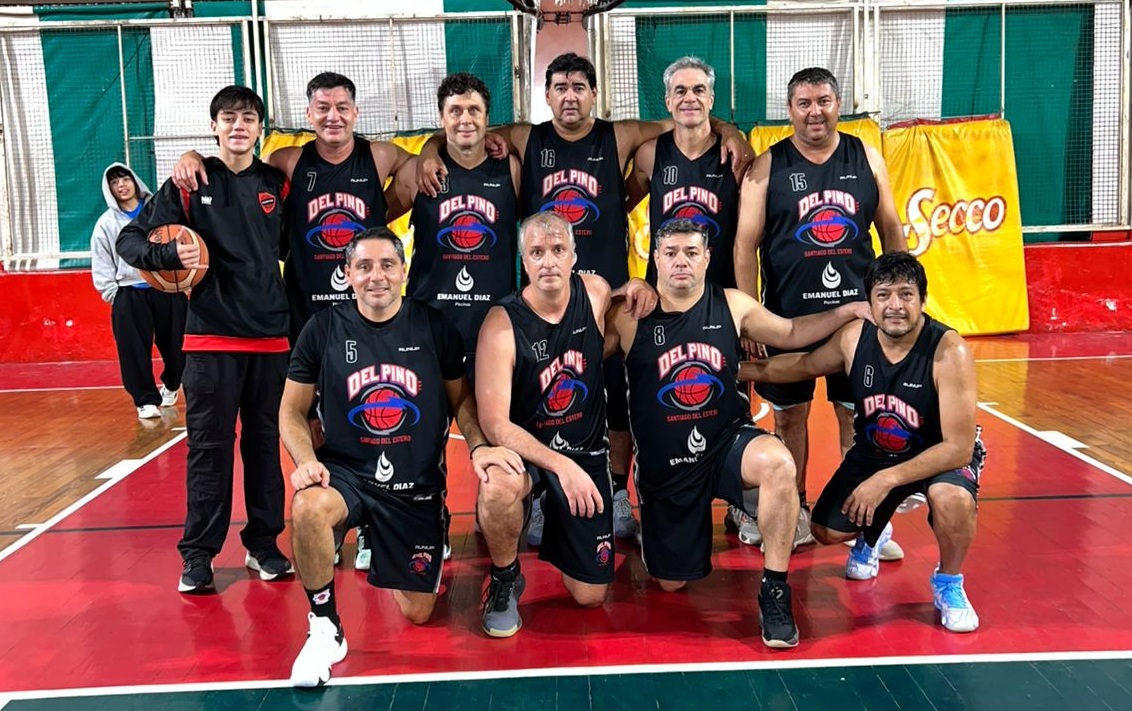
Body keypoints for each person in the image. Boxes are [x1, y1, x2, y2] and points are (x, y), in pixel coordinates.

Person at [418, 52, 752, 545]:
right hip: (547, 296)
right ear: (546, 95)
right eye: (560, 87)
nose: (570, 96)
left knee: (617, 395)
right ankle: (539, 493)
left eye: (579, 87)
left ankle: (616, 491)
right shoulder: (526, 138)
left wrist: (732, 131)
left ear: (595, 94)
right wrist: (429, 148)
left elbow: (688, 116)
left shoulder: (620, 136)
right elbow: (462, 130)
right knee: (544, 395)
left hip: (608, 296)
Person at [173, 72, 417, 571]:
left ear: (356, 112)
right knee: (311, 429)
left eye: (342, 107)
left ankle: (373, 527)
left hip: (365, 318)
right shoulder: (287, 164)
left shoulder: (379, 155)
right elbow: (237, 176)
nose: (333, 116)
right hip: (303, 320)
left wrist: (386, 207)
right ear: (308, 115)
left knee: (376, 420)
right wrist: (193, 156)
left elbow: (420, 166)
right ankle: (331, 517)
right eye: (322, 108)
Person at [605, 218, 869, 649]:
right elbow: (578, 333)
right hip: (667, 466)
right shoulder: (630, 316)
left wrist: (846, 311)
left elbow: (791, 332)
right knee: (670, 583)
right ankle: (680, 524)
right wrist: (622, 287)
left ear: (707, 257)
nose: (681, 261)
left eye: (691, 252)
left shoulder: (732, 304)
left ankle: (775, 589)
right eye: (670, 253)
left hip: (727, 442)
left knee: (779, 464)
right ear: (656, 258)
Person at [281, 227, 522, 686]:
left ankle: (410, 534)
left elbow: (461, 399)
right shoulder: (322, 329)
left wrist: (479, 446)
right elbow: (291, 410)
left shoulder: (433, 326)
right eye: (364, 266)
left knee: (418, 611)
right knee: (308, 507)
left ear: (403, 271)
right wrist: (305, 460)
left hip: (414, 485)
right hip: (347, 476)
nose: (377, 276)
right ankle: (325, 627)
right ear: (347, 273)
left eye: (387, 265)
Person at [740, 253, 985, 633]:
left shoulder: (948, 350)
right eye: (883, 295)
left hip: (937, 454)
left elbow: (958, 447)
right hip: (877, 451)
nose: (895, 305)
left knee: (952, 500)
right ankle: (872, 536)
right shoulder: (855, 338)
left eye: (906, 294)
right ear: (869, 302)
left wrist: (885, 481)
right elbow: (803, 365)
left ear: (923, 299)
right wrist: (736, 369)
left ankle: (949, 582)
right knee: (826, 531)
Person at [118, 85, 293, 594]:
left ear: (260, 128)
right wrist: (168, 256)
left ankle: (264, 544)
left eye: (248, 118)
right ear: (214, 127)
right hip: (211, 338)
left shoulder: (276, 185)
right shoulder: (190, 182)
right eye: (228, 118)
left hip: (270, 337)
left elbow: (294, 249)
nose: (239, 126)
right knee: (209, 450)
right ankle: (198, 555)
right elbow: (131, 239)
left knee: (264, 448)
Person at [732, 67, 908, 554]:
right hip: (789, 321)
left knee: (857, 417)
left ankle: (864, 522)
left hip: (859, 319)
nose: (815, 112)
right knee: (790, 419)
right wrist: (749, 317)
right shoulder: (768, 166)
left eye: (824, 101)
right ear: (790, 110)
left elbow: (891, 230)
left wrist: (899, 299)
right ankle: (794, 511)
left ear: (838, 104)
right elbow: (744, 246)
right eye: (805, 103)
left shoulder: (865, 156)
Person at [473, 212, 655, 638]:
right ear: (523, 261)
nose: (548, 261)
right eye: (537, 252)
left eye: (558, 250)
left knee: (590, 595)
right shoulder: (501, 324)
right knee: (497, 485)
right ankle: (505, 578)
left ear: (574, 256)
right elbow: (494, 423)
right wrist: (559, 465)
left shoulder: (594, 292)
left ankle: (556, 519)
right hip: (529, 453)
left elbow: (619, 299)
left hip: (584, 451)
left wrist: (638, 285)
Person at [385, 71, 521, 377]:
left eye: (474, 110)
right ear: (441, 118)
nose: (465, 120)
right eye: (455, 111)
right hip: (429, 328)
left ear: (487, 118)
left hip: (494, 328)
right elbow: (372, 224)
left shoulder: (511, 170)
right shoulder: (417, 173)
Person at [628, 56, 740, 289]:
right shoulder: (649, 154)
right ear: (668, 102)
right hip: (663, 293)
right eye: (680, 91)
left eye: (698, 90)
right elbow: (620, 205)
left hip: (719, 292)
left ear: (711, 100)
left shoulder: (735, 156)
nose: (690, 98)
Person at [90, 162, 186, 420]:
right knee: (133, 351)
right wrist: (116, 295)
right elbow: (101, 263)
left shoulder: (159, 211)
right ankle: (145, 400)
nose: (121, 185)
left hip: (167, 287)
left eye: (125, 179)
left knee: (179, 347)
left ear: (135, 181)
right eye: (114, 182)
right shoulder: (105, 224)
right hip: (130, 293)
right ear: (109, 189)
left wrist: (183, 279)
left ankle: (173, 383)